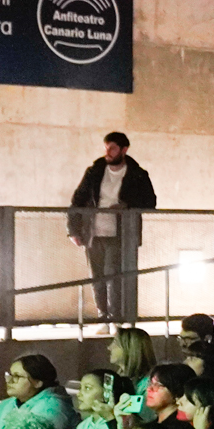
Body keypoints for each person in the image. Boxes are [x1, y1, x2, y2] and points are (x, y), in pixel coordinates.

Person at [67, 131, 157, 323]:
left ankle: (116, 318)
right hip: (94, 232)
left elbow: (150, 201)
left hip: (121, 233)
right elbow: (78, 200)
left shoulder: (138, 174)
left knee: (114, 276)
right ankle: (103, 316)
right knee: (97, 277)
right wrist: (73, 230)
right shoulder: (94, 172)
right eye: (106, 148)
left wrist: (126, 206)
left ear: (124, 150)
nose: (108, 152)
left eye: (112, 148)